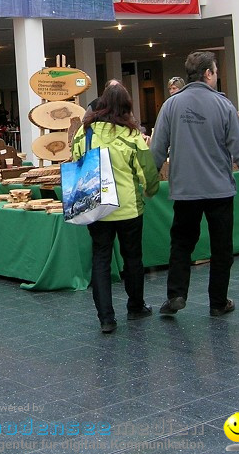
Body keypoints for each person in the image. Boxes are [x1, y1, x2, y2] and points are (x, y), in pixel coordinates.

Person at [149, 51, 239, 318]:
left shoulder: (171, 105)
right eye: (216, 71)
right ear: (208, 73)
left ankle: (176, 294)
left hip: (185, 191)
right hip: (219, 188)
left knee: (181, 243)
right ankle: (218, 302)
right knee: (222, 247)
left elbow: (157, 149)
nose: (216, 75)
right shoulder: (224, 105)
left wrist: (149, 180)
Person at [70, 82, 160, 334]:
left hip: (96, 207)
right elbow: (148, 173)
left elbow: (76, 160)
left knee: (100, 259)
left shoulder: (85, 132)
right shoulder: (132, 136)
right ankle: (135, 306)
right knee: (132, 258)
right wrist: (150, 190)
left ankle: (106, 319)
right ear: (127, 107)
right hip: (129, 209)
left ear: (103, 104)